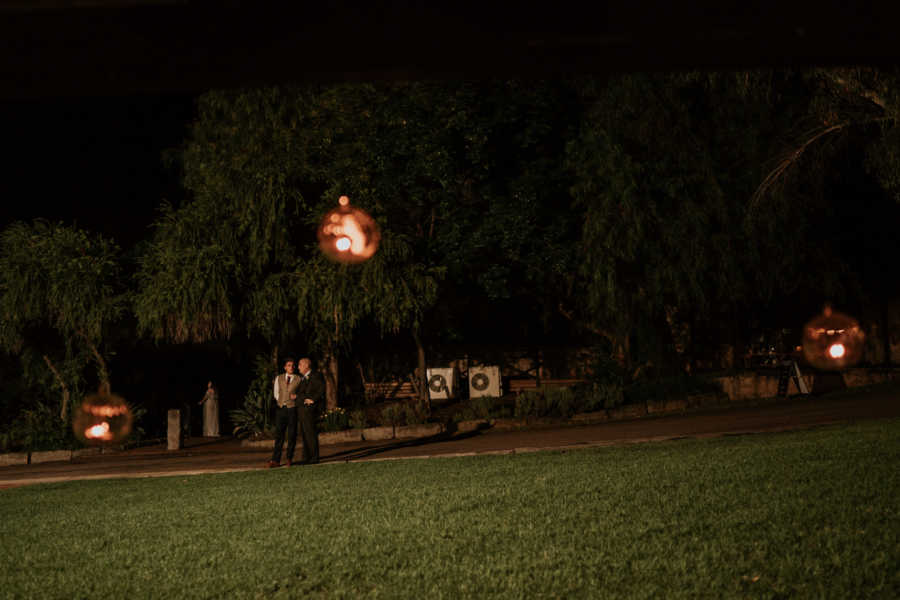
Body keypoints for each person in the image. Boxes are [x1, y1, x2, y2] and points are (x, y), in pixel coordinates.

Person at [267, 357, 301, 468]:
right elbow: (276, 393)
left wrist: (296, 397)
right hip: (281, 409)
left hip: (292, 409)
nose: (291, 367)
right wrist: (281, 401)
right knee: (279, 435)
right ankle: (275, 460)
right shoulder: (279, 378)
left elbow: (301, 392)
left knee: (291, 434)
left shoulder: (298, 379)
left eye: (293, 365)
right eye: (289, 365)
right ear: (285, 367)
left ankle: (289, 458)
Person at [295, 357, 325, 464]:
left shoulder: (316, 375)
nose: (298, 367)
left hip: (309, 410)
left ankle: (313, 457)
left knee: (310, 433)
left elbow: (321, 389)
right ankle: (306, 457)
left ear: (306, 365)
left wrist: (313, 399)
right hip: (301, 410)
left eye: (300, 365)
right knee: (304, 434)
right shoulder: (302, 378)